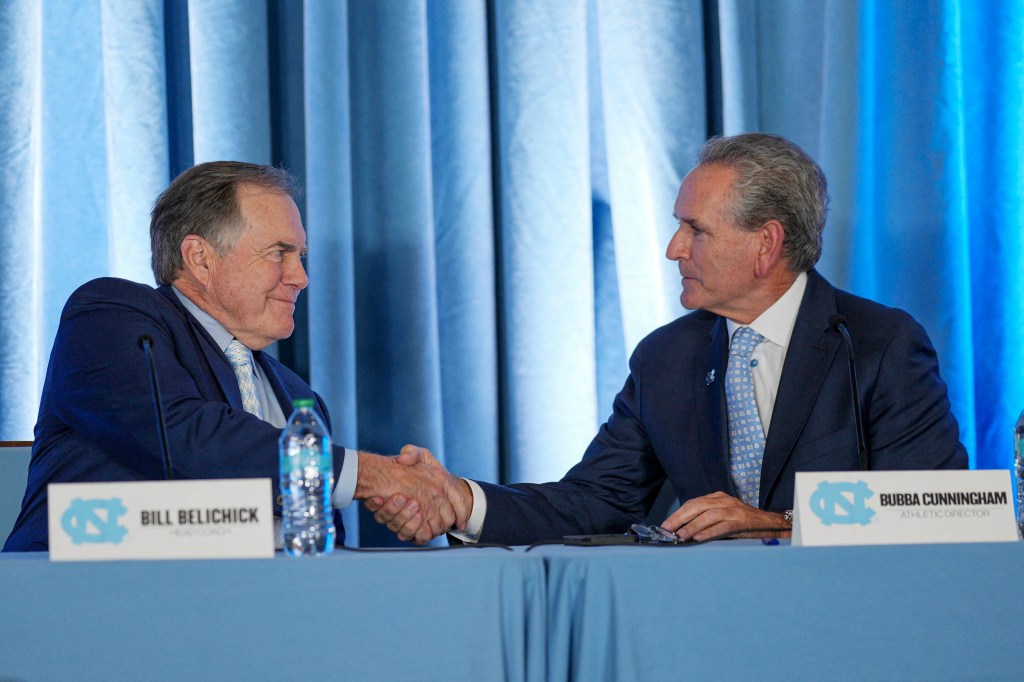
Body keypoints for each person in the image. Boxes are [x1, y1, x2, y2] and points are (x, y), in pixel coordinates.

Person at [368, 132, 968, 545]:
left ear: (766, 243)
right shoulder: (667, 358)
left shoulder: (878, 344)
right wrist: (461, 501)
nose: (673, 248)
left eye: (696, 230)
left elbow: (933, 511)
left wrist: (776, 521)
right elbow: (595, 501)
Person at [3, 161, 467, 552]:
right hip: (86, 616)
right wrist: (370, 475)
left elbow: (316, 546)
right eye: (280, 253)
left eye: (300, 256)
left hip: (258, 630)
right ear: (200, 257)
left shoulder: (299, 397)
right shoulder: (109, 317)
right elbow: (186, 436)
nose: (300, 277)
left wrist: (410, 494)